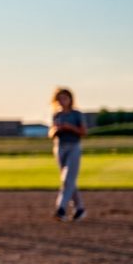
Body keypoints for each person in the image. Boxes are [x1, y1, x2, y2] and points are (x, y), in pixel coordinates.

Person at [49, 87, 88, 222]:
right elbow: (51, 133)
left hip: (73, 146)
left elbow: (83, 132)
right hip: (60, 147)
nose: (62, 101)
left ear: (70, 99)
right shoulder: (57, 115)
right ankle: (80, 208)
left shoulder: (76, 114)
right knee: (69, 179)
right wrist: (56, 130)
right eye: (59, 98)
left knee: (67, 179)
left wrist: (70, 127)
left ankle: (61, 208)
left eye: (64, 98)